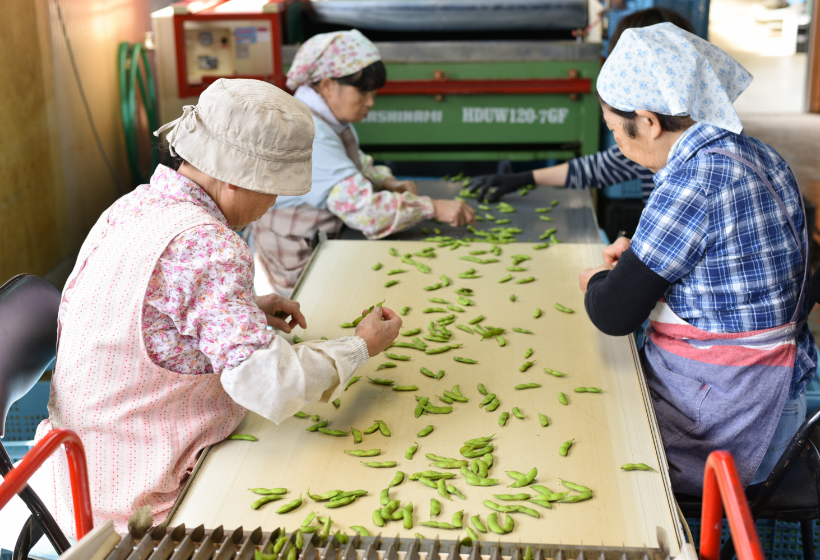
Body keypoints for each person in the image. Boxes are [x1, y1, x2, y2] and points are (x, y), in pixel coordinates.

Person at [0, 79, 402, 540]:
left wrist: (243, 309)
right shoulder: (210, 247)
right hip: (136, 503)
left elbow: (148, 307)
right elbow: (269, 385)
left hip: (75, 472)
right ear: (235, 176)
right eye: (272, 189)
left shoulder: (133, 205)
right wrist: (357, 347)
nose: (273, 204)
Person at [578, 23, 816, 494]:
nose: (619, 147)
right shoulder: (758, 155)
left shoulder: (693, 182)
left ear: (648, 122)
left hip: (727, 424)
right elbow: (726, 267)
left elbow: (612, 314)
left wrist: (599, 280)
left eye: (615, 132)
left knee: (586, 431)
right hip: (783, 404)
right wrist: (637, 265)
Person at [250, 30, 475, 296]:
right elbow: (366, 211)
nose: (371, 101)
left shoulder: (325, 117)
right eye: (363, 91)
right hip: (292, 262)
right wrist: (433, 207)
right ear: (327, 85)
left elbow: (354, 162)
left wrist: (386, 180)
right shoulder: (307, 133)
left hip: (318, 242)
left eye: (373, 92)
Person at [466, 7, 696, 204]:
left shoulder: (688, 168)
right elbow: (602, 167)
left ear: (649, 122)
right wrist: (525, 178)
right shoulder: (658, 136)